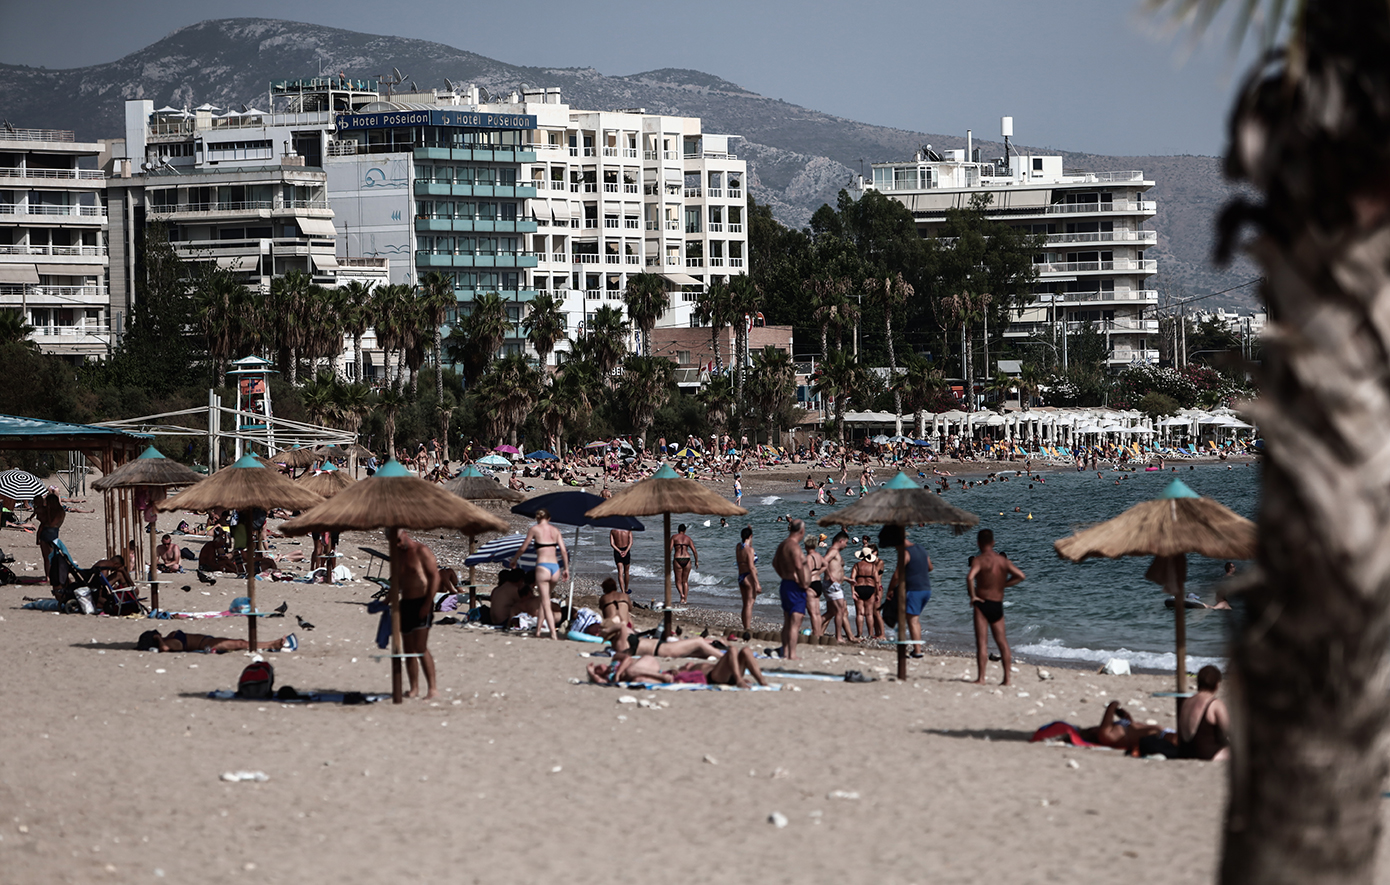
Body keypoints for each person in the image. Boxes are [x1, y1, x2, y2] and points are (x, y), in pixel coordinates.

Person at [965, 529, 1026, 685]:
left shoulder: (979, 560)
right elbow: (1020, 576)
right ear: (993, 543)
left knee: (982, 642)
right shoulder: (1002, 561)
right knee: (1002, 642)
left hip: (982, 603)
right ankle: (1007, 679)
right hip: (997, 604)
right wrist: (1003, 584)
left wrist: (973, 596)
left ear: (978, 543)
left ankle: (981, 678)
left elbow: (970, 577)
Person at [393, 530, 441, 699]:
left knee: (420, 647)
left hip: (422, 602)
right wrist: (385, 602)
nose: (398, 544)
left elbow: (435, 577)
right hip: (405, 603)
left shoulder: (422, 551)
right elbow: (397, 581)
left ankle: (433, 689)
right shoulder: (398, 554)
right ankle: (414, 688)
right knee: (408, 649)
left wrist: (428, 603)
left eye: (398, 540)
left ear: (405, 534)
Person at [510, 508, 568, 640]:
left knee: (545, 601)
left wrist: (515, 560)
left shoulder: (535, 529)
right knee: (544, 599)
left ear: (537, 518)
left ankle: (553, 632)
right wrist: (566, 569)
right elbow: (563, 551)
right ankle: (538, 630)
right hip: (555, 567)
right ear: (549, 518)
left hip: (543, 567)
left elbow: (523, 547)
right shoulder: (555, 530)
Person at [588, 647, 767, 688]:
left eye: (597, 666)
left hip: (724, 672)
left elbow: (626, 658)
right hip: (715, 676)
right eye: (597, 669)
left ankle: (762, 681)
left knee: (745, 650)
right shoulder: (687, 671)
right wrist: (591, 673)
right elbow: (679, 676)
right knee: (733, 650)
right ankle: (739, 680)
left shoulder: (615, 665)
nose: (599, 666)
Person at [885, 528, 933, 659]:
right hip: (926, 589)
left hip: (914, 590)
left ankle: (917, 651)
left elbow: (896, 575)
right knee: (915, 619)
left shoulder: (905, 553)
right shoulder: (921, 548)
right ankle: (916, 649)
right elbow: (930, 567)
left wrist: (890, 590)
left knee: (912, 621)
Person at [772, 519, 812, 660]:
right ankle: (792, 654)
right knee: (796, 621)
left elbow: (775, 563)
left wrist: (783, 575)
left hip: (786, 584)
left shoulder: (783, 544)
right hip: (795, 586)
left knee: (788, 621)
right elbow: (798, 565)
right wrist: (803, 583)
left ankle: (786, 651)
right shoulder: (794, 547)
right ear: (801, 531)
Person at [1178, 665, 1231, 760]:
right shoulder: (1215, 704)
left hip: (1185, 751)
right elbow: (1229, 730)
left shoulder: (1186, 702)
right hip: (1207, 753)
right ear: (1217, 684)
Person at [1078, 700, 1166, 753]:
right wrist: (1116, 704)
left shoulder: (1110, 731)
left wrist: (1122, 713)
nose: (1096, 727)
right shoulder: (1105, 734)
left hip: (1159, 734)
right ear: (1092, 732)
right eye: (1092, 728)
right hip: (1158, 736)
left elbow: (1129, 723)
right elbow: (1111, 707)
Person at [136, 628, 297, 654]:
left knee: (241, 642)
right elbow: (165, 649)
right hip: (207, 644)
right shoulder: (169, 643)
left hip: (208, 640)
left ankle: (272, 644)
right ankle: (273, 644)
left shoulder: (170, 637)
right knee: (241, 643)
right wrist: (158, 639)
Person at [822, 531, 853, 642]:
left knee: (831, 612)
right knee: (840, 611)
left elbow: (836, 570)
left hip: (833, 585)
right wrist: (830, 575)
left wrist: (848, 579)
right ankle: (839, 637)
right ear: (841, 541)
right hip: (832, 585)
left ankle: (816, 629)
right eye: (846, 542)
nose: (846, 545)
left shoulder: (834, 552)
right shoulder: (833, 551)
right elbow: (823, 561)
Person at [850, 547, 880, 641]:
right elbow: (877, 581)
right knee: (869, 613)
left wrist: (853, 591)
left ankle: (859, 634)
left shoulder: (857, 565)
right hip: (870, 588)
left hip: (859, 588)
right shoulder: (873, 567)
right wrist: (877, 593)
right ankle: (870, 634)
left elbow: (852, 579)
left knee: (859, 613)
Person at [735, 526, 761, 633]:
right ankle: (748, 628)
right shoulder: (750, 550)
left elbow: (747, 545)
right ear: (750, 536)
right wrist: (757, 583)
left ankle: (745, 626)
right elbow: (751, 567)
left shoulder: (738, 547)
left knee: (745, 604)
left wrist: (749, 534)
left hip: (741, 576)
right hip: (748, 576)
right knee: (750, 603)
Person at [34, 489, 64, 575]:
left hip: (51, 533)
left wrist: (48, 513)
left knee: (50, 557)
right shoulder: (54, 511)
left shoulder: (59, 512)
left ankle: (51, 575)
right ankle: (48, 575)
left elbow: (51, 523)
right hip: (48, 533)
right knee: (46, 558)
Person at [669, 524, 698, 605]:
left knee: (678, 581)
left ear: (678, 530)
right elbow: (694, 551)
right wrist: (696, 561)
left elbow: (669, 549)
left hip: (678, 558)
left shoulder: (674, 537)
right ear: (685, 530)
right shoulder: (688, 538)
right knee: (685, 581)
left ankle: (681, 595)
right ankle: (685, 600)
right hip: (687, 559)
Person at [803, 536, 825, 639]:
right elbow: (825, 565)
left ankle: (816, 634)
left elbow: (806, 573)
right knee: (817, 612)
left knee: (812, 613)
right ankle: (819, 633)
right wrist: (818, 573)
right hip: (818, 583)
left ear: (806, 546)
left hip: (810, 584)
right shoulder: (818, 555)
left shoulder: (808, 558)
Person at [610, 526, 633, 594]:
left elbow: (612, 544)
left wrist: (619, 551)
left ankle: (622, 591)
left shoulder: (613, 530)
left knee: (620, 572)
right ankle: (626, 589)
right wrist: (625, 551)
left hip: (617, 551)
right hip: (626, 550)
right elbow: (630, 543)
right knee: (626, 571)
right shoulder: (628, 530)